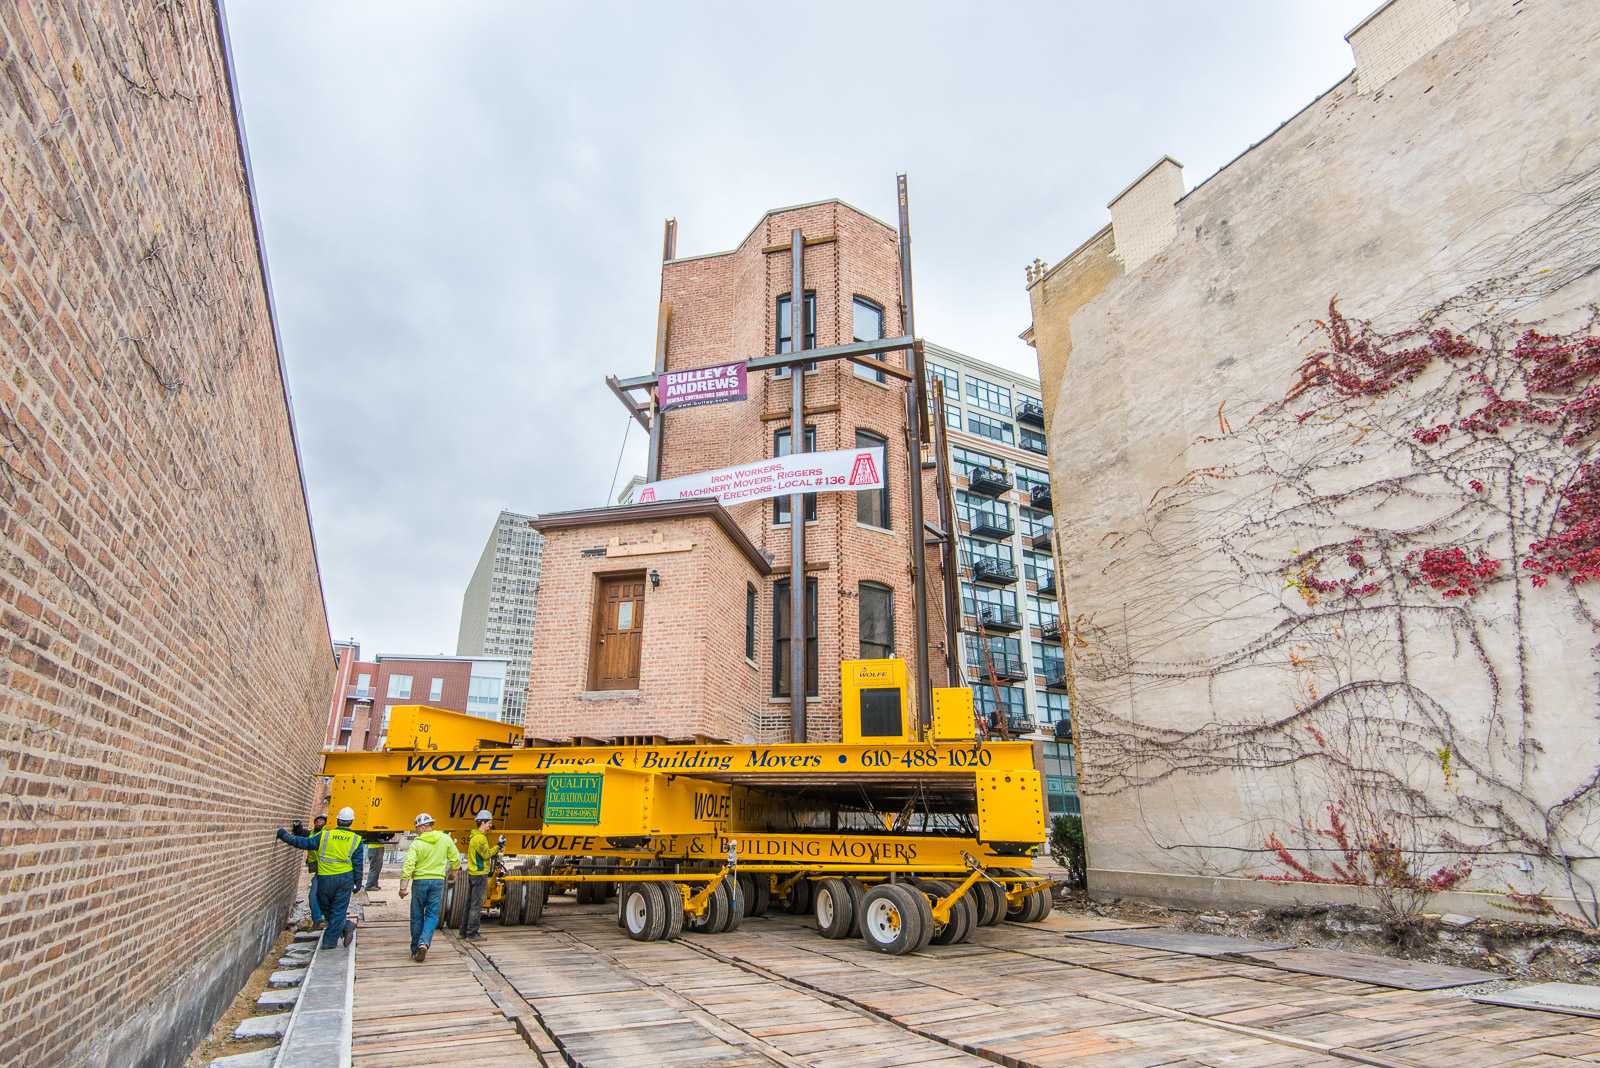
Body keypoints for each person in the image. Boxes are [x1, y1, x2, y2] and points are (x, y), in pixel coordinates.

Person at [276, 807, 364, 950]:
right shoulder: (356, 839)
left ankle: (329, 942)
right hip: (345, 879)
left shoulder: (324, 836)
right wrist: (358, 881)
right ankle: (345, 925)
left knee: (325, 907)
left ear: (337, 819)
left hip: (326, 877)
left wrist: (284, 835)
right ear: (351, 822)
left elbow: (302, 842)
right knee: (337, 909)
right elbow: (358, 862)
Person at [398, 812, 460, 962]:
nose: (416, 830)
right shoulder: (445, 839)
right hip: (438, 881)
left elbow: (408, 866)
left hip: (420, 882)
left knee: (417, 916)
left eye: (417, 827)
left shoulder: (417, 844)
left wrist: (403, 887)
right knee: (432, 915)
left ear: (422, 827)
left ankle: (415, 950)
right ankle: (424, 943)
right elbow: (455, 858)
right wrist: (453, 874)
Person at [459, 810, 505, 941]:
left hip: (473, 874)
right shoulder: (480, 838)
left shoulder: (475, 836)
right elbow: (485, 854)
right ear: (482, 822)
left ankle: (464, 931)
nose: (491, 825)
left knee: (469, 904)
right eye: (489, 823)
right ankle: (472, 933)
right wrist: (498, 846)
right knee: (477, 905)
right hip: (479, 875)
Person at [299, 814, 327, 928]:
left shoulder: (325, 833)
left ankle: (320, 920)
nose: (318, 821)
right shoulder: (313, 832)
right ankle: (320, 919)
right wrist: (297, 828)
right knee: (315, 895)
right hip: (319, 868)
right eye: (317, 820)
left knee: (315, 895)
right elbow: (303, 835)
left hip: (325, 869)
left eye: (321, 820)